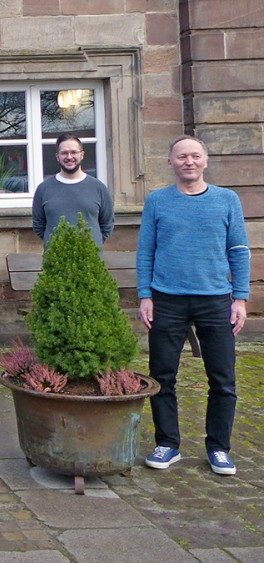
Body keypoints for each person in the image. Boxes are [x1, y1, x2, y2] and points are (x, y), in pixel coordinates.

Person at [138, 135, 250, 476]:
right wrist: (145, 295)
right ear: (170, 163)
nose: (189, 161)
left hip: (216, 300)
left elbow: (239, 251)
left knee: (223, 378)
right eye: (182, 157)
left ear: (205, 161)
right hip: (166, 299)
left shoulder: (227, 200)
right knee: (162, 376)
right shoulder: (157, 201)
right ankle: (168, 444)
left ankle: (218, 448)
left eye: (195, 156)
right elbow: (145, 252)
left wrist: (241, 299)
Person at [32, 134, 114, 249]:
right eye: (64, 153)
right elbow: (39, 226)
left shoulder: (98, 188)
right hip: (55, 261)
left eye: (74, 152)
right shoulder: (43, 189)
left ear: (82, 155)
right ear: (57, 156)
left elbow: (107, 224)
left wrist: (91, 245)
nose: (69, 157)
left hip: (90, 261)